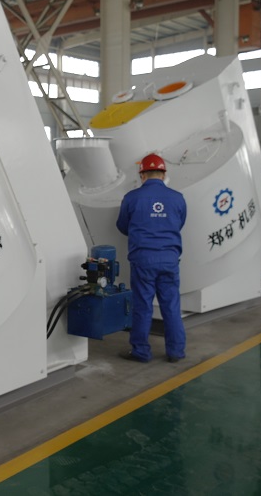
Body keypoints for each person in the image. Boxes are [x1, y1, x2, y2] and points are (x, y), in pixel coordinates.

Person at [116, 153, 187, 363]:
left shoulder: (132, 198)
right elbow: (179, 223)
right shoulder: (177, 198)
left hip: (143, 259)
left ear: (142, 175)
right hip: (169, 259)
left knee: (142, 306)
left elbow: (122, 226)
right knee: (171, 306)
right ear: (163, 175)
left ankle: (141, 351)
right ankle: (176, 352)